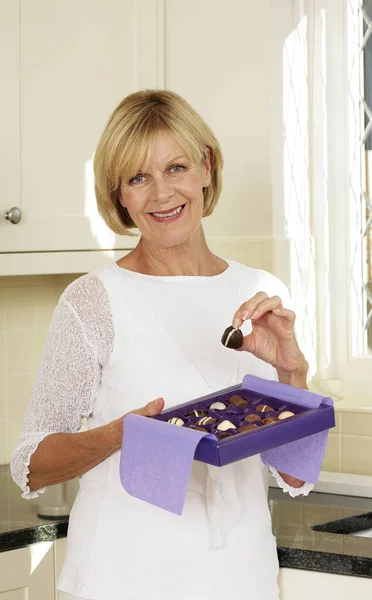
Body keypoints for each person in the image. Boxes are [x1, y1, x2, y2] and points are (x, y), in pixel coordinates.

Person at [11, 89, 312, 600]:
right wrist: (118, 436)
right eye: (137, 178)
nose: (161, 194)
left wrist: (291, 378)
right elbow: (32, 464)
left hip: (241, 575)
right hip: (124, 577)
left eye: (175, 168)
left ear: (207, 169)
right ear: (120, 196)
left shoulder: (262, 292)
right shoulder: (94, 301)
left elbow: (293, 475)